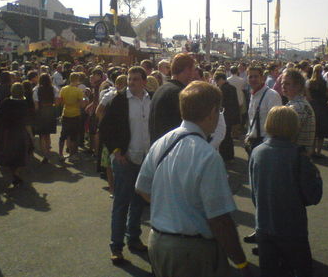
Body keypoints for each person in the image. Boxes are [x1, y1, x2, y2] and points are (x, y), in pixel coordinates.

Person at [135, 81, 252, 277]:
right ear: (212, 112)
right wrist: (241, 263)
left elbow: (143, 188)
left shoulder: (162, 142)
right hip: (192, 249)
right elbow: (219, 219)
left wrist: (172, 209)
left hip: (158, 241)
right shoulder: (207, 155)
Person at [250, 106, 314, 277]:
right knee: (300, 269)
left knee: (269, 270)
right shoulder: (298, 155)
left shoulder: (257, 152)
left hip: (264, 224)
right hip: (292, 226)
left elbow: (254, 191)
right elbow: (313, 194)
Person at [101, 66, 151, 265]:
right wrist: (116, 152)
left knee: (139, 202)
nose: (131, 83)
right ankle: (116, 246)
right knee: (121, 203)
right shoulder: (120, 100)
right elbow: (105, 128)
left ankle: (134, 238)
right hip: (125, 159)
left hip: (145, 159)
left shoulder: (151, 99)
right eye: (130, 79)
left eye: (136, 79)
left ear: (144, 81)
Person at [148, 53, 196, 143]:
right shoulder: (180, 94)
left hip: (158, 148)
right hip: (172, 150)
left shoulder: (161, 89)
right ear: (186, 70)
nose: (193, 75)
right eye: (193, 70)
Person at [0, 82, 32, 185]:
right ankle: (16, 173)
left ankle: (13, 172)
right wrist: (31, 135)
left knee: (10, 152)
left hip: (7, 131)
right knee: (22, 153)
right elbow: (26, 121)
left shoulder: (6, 102)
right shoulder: (24, 104)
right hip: (20, 131)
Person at [245, 66, 282, 152]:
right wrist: (248, 135)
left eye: (256, 76)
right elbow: (251, 118)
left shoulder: (272, 95)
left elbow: (276, 124)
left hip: (265, 144)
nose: (253, 79)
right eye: (250, 76)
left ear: (262, 78)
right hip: (253, 141)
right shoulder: (253, 94)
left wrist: (266, 145)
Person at [281, 68, 315, 154]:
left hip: (294, 155)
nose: (283, 86)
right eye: (282, 83)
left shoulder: (297, 107)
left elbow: (286, 136)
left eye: (287, 84)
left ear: (298, 86)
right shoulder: (297, 103)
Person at [59, 72, 87, 162]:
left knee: (63, 135)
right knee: (74, 136)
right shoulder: (78, 91)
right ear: (77, 80)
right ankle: (72, 155)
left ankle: (60, 154)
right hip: (75, 114)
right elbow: (83, 104)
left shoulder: (63, 89)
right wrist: (84, 97)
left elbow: (61, 101)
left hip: (65, 113)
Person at [33, 73, 60, 163]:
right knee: (48, 134)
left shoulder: (36, 89)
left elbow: (36, 105)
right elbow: (57, 103)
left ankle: (45, 154)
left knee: (41, 134)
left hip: (41, 112)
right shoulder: (54, 89)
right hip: (50, 111)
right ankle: (48, 151)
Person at [213, 71, 240, 161]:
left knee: (225, 137)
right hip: (232, 115)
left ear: (221, 79)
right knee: (228, 136)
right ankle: (230, 155)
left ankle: (225, 156)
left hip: (225, 116)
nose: (216, 83)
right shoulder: (232, 88)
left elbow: (221, 104)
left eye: (217, 80)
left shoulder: (222, 89)